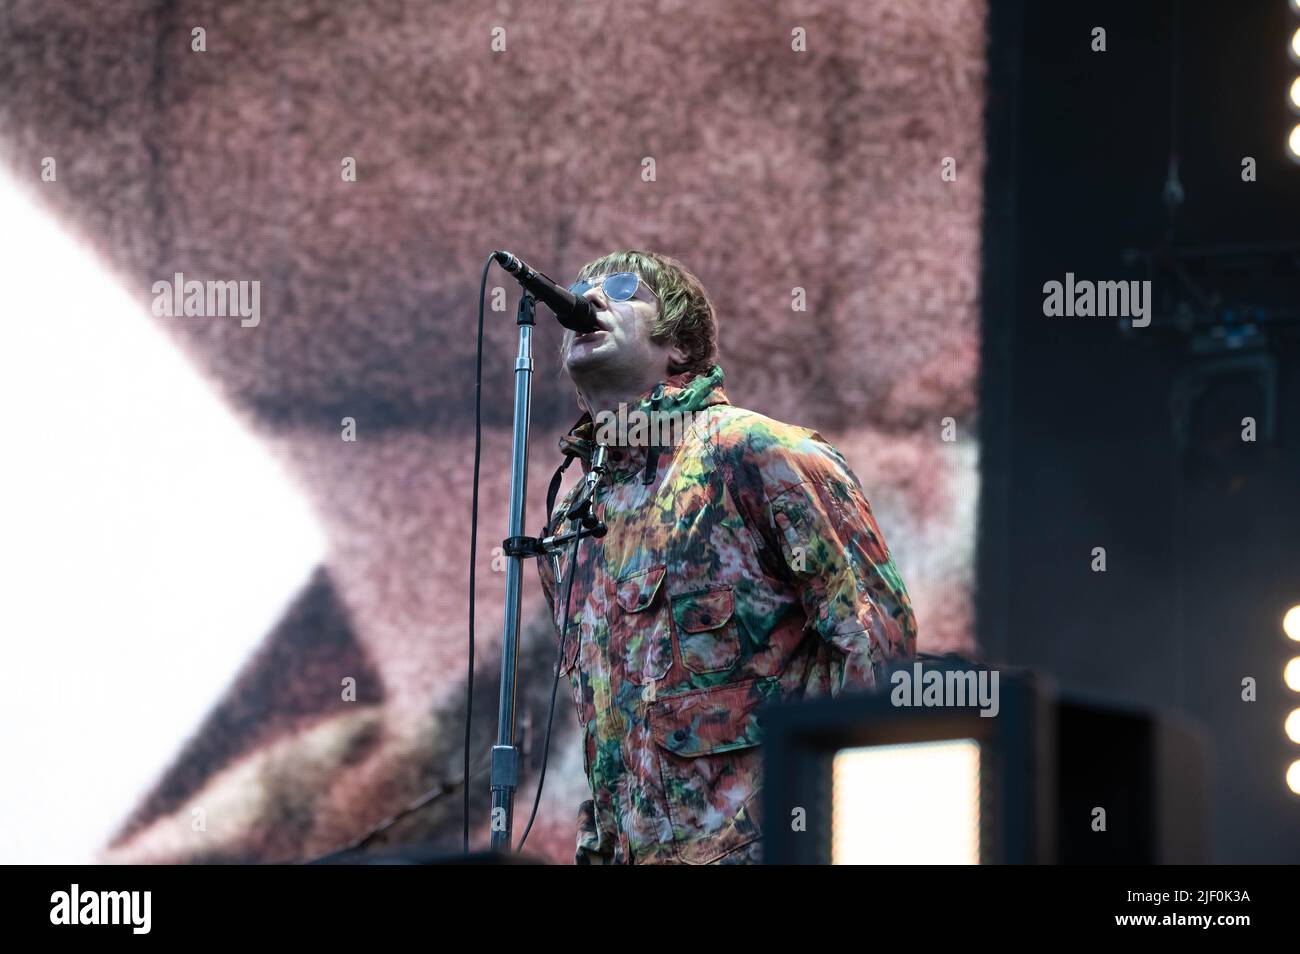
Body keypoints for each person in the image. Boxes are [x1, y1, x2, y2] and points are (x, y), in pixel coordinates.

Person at [537, 249, 918, 865]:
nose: (591, 296)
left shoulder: (753, 452)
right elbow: (607, 724)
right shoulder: (575, 517)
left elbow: (876, 643)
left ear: (679, 346)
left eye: (624, 287)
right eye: (583, 286)